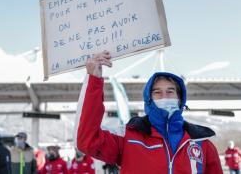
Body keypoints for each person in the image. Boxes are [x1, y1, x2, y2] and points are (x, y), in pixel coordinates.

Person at [75, 50, 223, 173]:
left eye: (170, 91)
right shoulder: (128, 138)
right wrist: (94, 79)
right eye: (157, 92)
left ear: (180, 99)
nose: (164, 96)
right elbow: (87, 140)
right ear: (149, 99)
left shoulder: (202, 143)